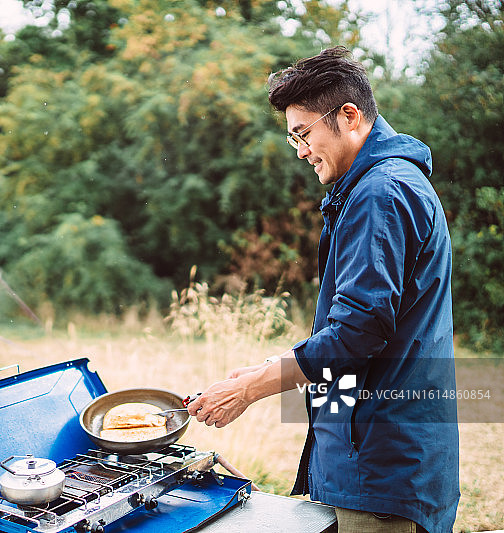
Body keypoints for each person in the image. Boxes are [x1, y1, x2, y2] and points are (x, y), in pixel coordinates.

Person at [186, 46, 460, 533]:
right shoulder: (375, 186)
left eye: (304, 133)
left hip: (380, 471)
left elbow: (358, 332)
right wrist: (270, 367)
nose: (300, 151)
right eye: (293, 137)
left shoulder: (380, 192)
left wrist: (248, 390)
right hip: (373, 460)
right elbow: (359, 327)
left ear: (349, 117)